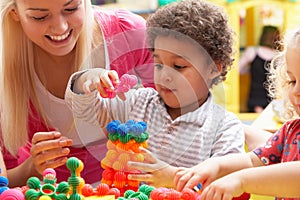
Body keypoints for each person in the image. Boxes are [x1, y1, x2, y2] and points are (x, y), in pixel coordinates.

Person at [66, 0, 245, 189]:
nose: (165, 75)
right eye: (158, 64)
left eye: (178, 66)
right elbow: (86, 113)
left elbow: (228, 185)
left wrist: (173, 178)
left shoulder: (224, 127)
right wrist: (86, 81)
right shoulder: (139, 102)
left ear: (213, 68)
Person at [0, 0, 154, 187]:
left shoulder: (127, 34)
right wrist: (31, 167)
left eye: (71, 8)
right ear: (15, 13)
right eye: (40, 16)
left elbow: (177, 118)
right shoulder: (5, 71)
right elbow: (5, 185)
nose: (60, 28)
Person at [174, 26, 300, 200]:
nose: (296, 91)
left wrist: (240, 180)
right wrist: (216, 165)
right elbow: (252, 161)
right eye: (292, 80)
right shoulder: (291, 131)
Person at [239, 25, 280, 113]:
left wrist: (252, 70)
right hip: (272, 99)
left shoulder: (252, 51)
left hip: (254, 98)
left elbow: (238, 69)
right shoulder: (278, 56)